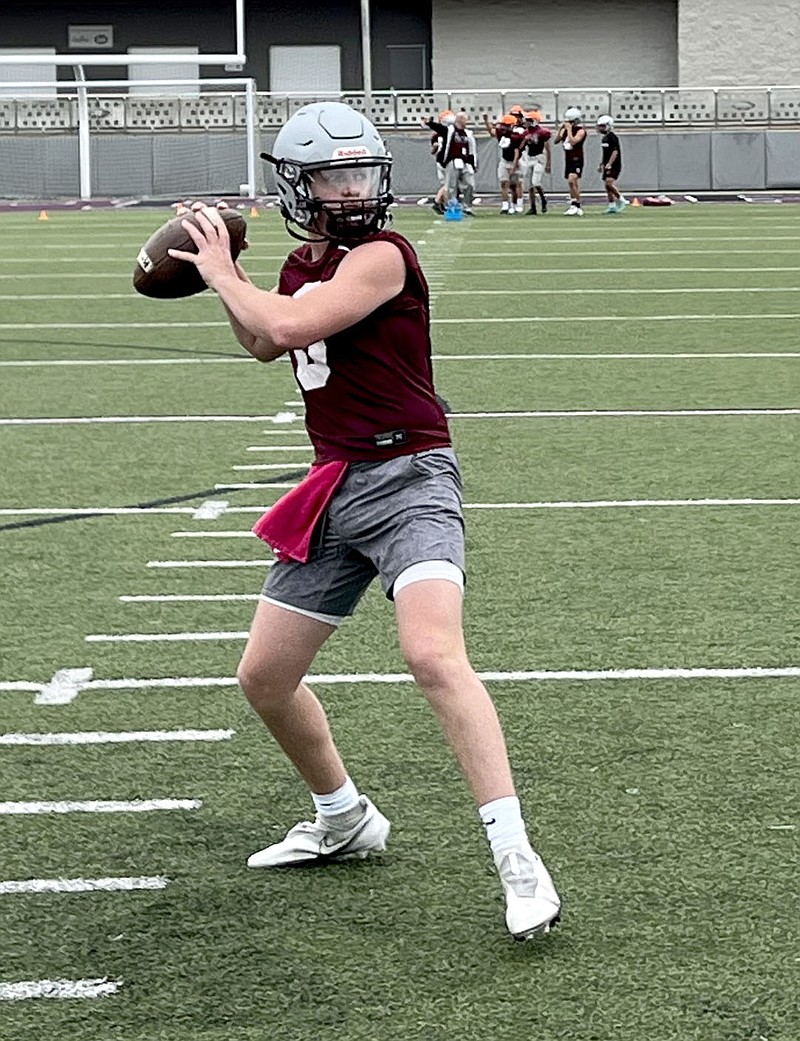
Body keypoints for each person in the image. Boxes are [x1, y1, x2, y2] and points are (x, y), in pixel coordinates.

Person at [168, 101, 561, 943]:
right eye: (330, 177)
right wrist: (229, 270)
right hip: (334, 485)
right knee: (264, 677)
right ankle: (343, 815)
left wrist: (219, 271)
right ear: (299, 187)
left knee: (431, 652)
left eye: (358, 174)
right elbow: (264, 344)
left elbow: (289, 324)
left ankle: (519, 858)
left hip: (410, 474)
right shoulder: (303, 263)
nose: (349, 191)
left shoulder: (384, 255)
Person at [425, 109, 477, 215]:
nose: (466, 121)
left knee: (470, 184)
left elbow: (472, 149)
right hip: (453, 161)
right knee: (451, 186)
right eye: (465, 119)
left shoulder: (468, 133)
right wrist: (429, 123)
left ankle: (467, 207)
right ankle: (452, 207)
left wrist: (473, 163)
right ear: (459, 120)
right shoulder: (450, 131)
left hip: (465, 161)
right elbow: (439, 128)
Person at [483, 110, 524, 213]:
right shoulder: (502, 133)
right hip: (505, 160)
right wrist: (486, 121)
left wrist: (514, 165)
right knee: (504, 183)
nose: (504, 127)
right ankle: (505, 205)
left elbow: (516, 151)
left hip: (516, 161)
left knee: (516, 185)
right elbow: (492, 132)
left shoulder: (516, 135)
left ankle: (517, 204)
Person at [555, 106, 587, 216]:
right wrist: (561, 129)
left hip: (577, 159)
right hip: (568, 159)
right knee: (572, 184)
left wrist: (569, 130)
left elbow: (573, 142)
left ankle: (576, 205)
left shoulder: (581, 131)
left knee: (571, 180)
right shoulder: (565, 131)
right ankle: (575, 204)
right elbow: (556, 140)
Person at [519, 110, 552, 215]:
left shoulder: (542, 132)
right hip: (529, 158)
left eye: (529, 120)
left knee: (535, 182)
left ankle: (543, 199)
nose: (526, 122)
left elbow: (547, 148)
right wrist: (524, 140)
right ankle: (533, 207)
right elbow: (520, 148)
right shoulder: (526, 132)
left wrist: (548, 163)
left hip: (539, 158)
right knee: (529, 185)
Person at [597, 115, 628, 214]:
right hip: (607, 164)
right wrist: (602, 163)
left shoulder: (613, 137)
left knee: (609, 183)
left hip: (614, 164)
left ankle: (621, 199)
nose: (600, 128)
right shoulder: (604, 138)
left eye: (602, 126)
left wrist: (610, 163)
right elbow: (605, 153)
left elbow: (615, 152)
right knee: (607, 186)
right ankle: (612, 205)